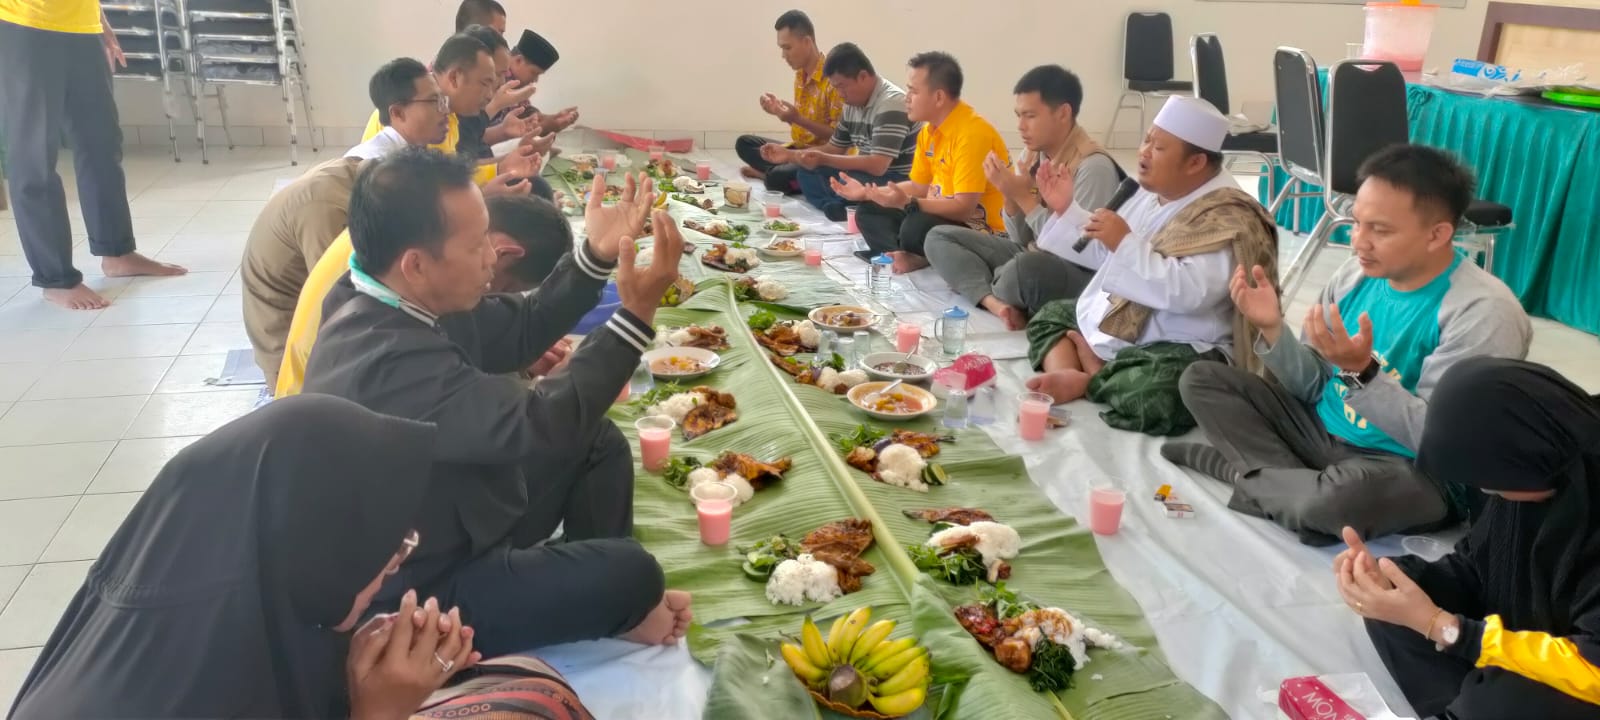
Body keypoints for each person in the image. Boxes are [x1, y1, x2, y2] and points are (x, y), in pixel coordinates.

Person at [300, 148, 694, 655]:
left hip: (458, 511)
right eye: (476, 244)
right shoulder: (380, 358)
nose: (493, 255)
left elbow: (524, 326)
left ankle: (597, 599)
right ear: (417, 264)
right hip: (418, 587)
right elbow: (538, 422)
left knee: (597, 442)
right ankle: (606, 594)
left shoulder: (400, 295)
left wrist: (594, 253)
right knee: (637, 573)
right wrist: (635, 314)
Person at [7, 394, 480, 718]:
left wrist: (352, 670)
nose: (395, 562)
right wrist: (381, 711)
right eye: (388, 546)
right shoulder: (177, 703)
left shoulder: (204, 605)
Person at [1167, 145, 1533, 544]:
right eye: (1357, 223)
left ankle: (1253, 478)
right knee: (1202, 379)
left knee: (1333, 503)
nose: (1359, 241)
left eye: (1381, 230)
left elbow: (1441, 443)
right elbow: (1312, 386)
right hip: (1321, 434)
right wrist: (1272, 329)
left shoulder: (1481, 312)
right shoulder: (1354, 276)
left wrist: (1362, 375)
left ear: (1437, 234)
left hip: (1409, 468)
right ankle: (1293, 493)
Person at [1336, 357, 1600, 719]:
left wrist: (1448, 630)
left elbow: (1593, 669)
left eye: (1489, 475)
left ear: (1520, 457)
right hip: (1527, 641)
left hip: (1584, 668)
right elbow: (1481, 565)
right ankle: (1460, 708)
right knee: (1392, 603)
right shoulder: (1537, 477)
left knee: (1510, 697)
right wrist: (1395, 579)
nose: (1484, 488)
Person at [1022, 95, 1278, 437]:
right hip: (1126, 323)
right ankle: (1076, 373)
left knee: (1158, 392)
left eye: (1158, 148)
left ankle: (1093, 377)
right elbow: (1106, 254)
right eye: (1147, 140)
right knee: (1051, 315)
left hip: (1183, 343)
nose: (1143, 153)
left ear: (1195, 162)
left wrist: (1124, 243)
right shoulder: (1154, 191)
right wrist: (1067, 210)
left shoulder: (1228, 217)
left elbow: (1188, 294)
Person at [243, 57, 452, 388]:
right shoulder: (328, 206)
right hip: (292, 356)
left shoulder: (369, 175)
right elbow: (344, 305)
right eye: (435, 102)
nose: (446, 112)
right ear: (397, 112)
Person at [276, 191, 567, 399]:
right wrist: (552, 393)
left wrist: (514, 349)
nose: (488, 287)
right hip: (303, 399)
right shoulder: (382, 331)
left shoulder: (413, 242)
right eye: (503, 288)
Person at [0, 1, 185, 310]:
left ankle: (117, 253)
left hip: (83, 28)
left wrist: (102, 23)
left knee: (102, 144)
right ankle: (56, 279)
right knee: (33, 157)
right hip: (23, 26)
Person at [925, 65, 1122, 330]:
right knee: (938, 237)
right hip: (1033, 256)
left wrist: (1023, 197)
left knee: (1025, 270)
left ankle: (985, 283)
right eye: (1018, 116)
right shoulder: (1033, 156)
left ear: (1063, 113)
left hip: (1069, 273)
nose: (1020, 126)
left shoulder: (1093, 166)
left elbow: (1082, 252)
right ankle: (996, 302)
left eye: (1030, 116)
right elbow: (1020, 240)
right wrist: (1010, 197)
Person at [830, 52, 1009, 274]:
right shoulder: (928, 132)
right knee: (869, 212)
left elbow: (963, 209)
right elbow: (918, 186)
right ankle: (914, 255)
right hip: (937, 216)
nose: (906, 97)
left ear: (939, 97)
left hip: (979, 231)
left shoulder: (972, 134)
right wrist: (868, 194)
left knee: (916, 227)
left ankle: (918, 256)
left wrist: (909, 203)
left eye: (913, 91)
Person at [360, 32, 540, 193]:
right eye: (485, 83)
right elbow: (432, 199)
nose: (490, 94)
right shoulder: (416, 115)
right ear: (455, 77)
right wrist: (487, 193)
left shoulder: (448, 116)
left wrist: (502, 166)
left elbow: (449, 172)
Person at [774, 42, 918, 221]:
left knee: (851, 178)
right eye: (835, 88)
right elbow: (833, 148)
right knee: (807, 172)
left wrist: (823, 159)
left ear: (863, 76)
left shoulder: (891, 103)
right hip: (868, 174)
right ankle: (841, 206)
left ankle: (844, 205)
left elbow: (878, 165)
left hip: (896, 178)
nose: (840, 94)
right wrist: (789, 155)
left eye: (842, 86)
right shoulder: (851, 104)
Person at [737, 9, 842, 193]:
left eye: (787, 48)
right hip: (796, 150)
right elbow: (799, 128)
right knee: (744, 143)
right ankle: (778, 169)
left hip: (820, 157)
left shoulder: (833, 81)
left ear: (807, 42)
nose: (784, 56)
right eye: (782, 49)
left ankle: (770, 175)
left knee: (778, 178)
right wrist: (779, 112)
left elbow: (838, 140)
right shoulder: (800, 75)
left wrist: (796, 119)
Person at [495, 29, 579, 138]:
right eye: (534, 73)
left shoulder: (517, 85)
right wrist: (545, 127)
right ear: (518, 60)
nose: (535, 80)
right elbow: (499, 134)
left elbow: (525, 112)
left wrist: (553, 118)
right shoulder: (497, 80)